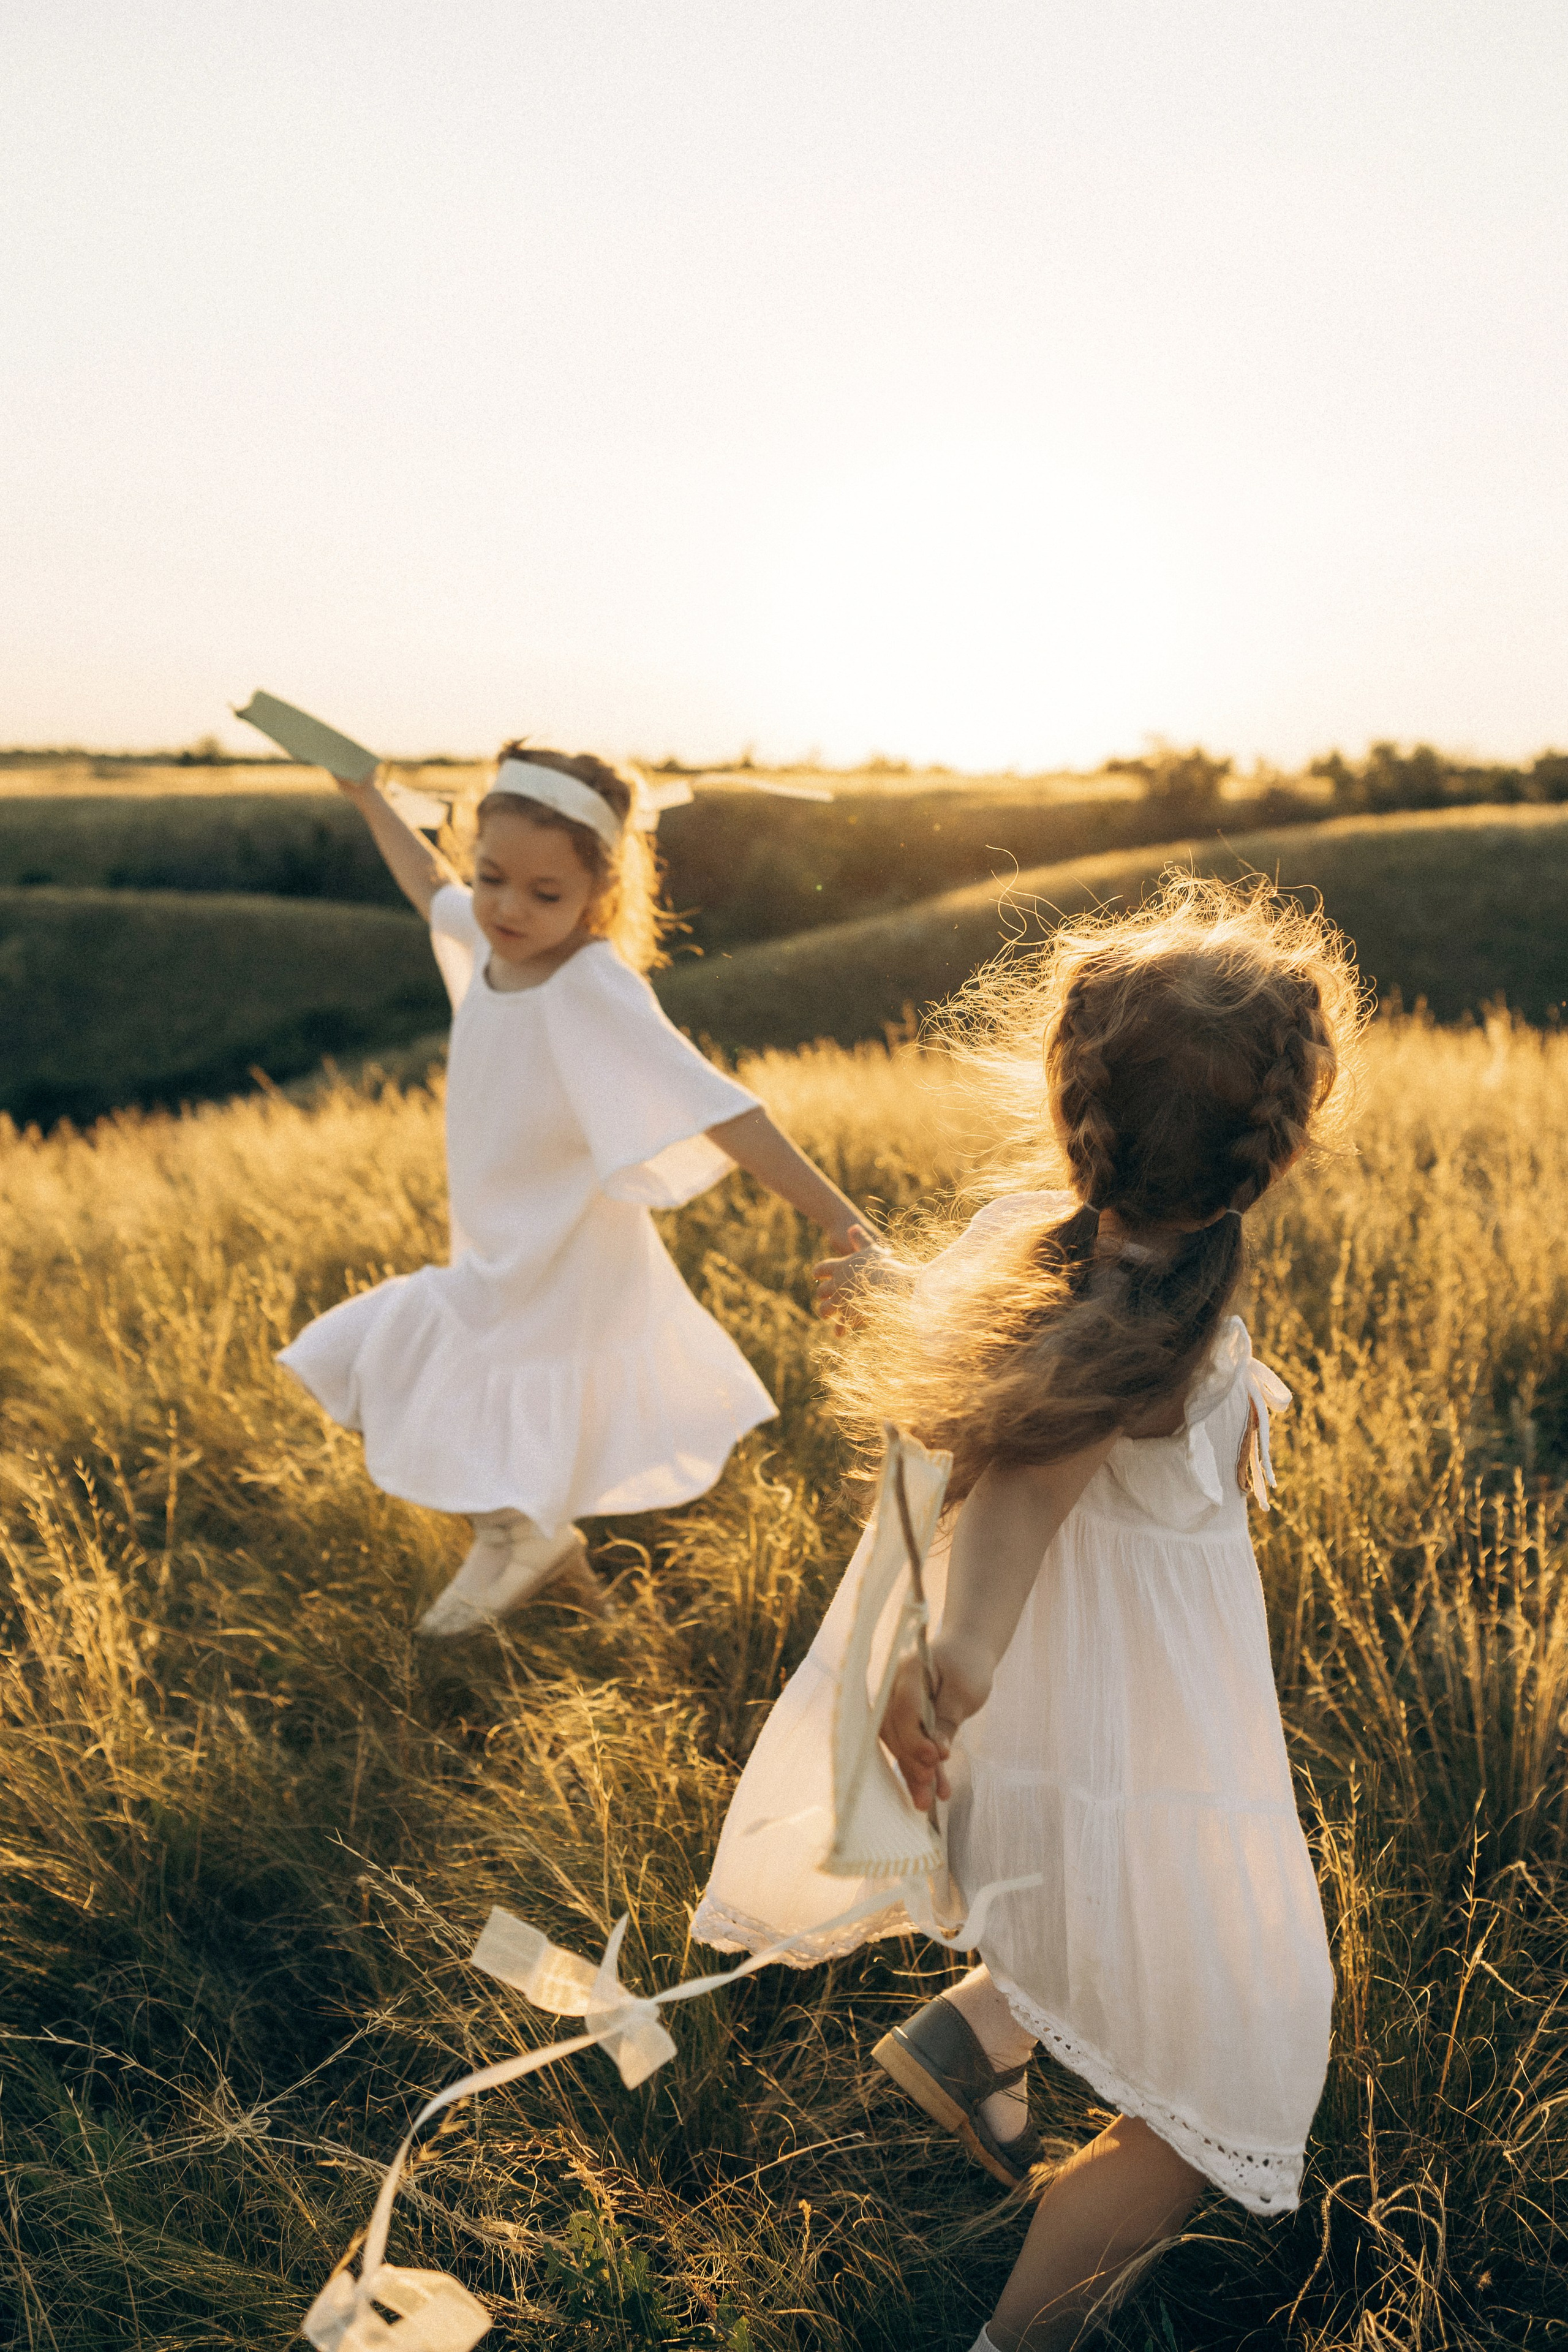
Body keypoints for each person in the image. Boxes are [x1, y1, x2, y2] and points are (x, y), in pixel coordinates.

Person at [692, 876, 1363, 2350]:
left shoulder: (1036, 1249)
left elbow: (990, 1381)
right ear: (1274, 1146)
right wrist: (956, 1656)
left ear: (1075, 1116)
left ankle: (965, 2043)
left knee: (1124, 1939)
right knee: (1229, 2074)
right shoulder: (1133, 1328)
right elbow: (1014, 1497)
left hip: (1061, 1769)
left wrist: (892, 1290)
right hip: (1096, 1764)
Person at [279, 744, 872, 1634]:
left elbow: (719, 1106)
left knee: (380, 1357)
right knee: (434, 1382)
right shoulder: (486, 935)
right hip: (497, 1241)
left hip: (563, 1251)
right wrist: (366, 795)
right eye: (492, 878)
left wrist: (840, 1218)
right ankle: (557, 1574)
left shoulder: (589, 981)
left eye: (545, 893)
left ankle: (525, 1536)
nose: (508, 909)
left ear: (598, 893)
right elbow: (429, 885)